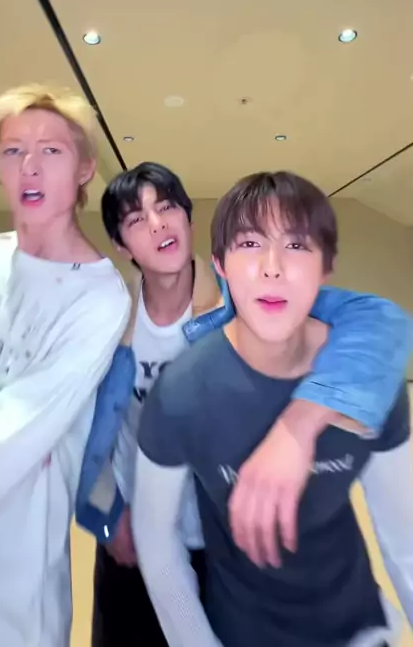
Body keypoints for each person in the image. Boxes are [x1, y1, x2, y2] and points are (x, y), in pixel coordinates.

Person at [76, 163, 411, 647]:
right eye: (136, 219)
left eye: (167, 207)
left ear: (190, 220)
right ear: (121, 245)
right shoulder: (108, 321)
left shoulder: (245, 305)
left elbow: (378, 322)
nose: (157, 224)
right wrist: (107, 513)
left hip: (217, 540)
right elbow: (86, 426)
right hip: (140, 524)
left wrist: (299, 424)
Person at [0, 84, 131, 647]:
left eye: (51, 150)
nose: (30, 167)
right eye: (13, 150)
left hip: (10, 596)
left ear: (85, 168)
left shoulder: (98, 299)